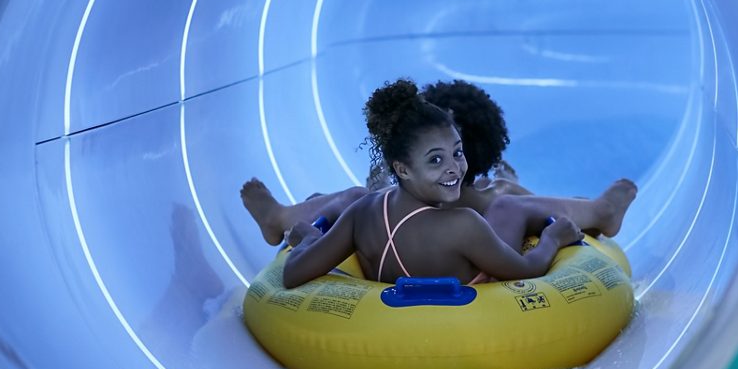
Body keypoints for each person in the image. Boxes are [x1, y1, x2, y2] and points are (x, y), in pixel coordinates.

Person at [271, 79, 637, 289]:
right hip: (474, 305)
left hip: (389, 277)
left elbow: (292, 274)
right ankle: (582, 208)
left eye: (457, 153)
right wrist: (552, 240)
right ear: (402, 169)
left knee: (495, 195)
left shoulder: (360, 213)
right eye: (436, 160)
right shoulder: (464, 224)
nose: (454, 169)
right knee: (507, 205)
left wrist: (311, 240)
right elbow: (527, 270)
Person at [242, 80, 528, 247]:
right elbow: (534, 206)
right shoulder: (498, 196)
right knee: (497, 191)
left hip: (393, 248)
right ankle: (304, 210)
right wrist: (512, 187)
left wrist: (378, 191)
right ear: (489, 146)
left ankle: (278, 218)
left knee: (356, 197)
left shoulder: (395, 200)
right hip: (470, 224)